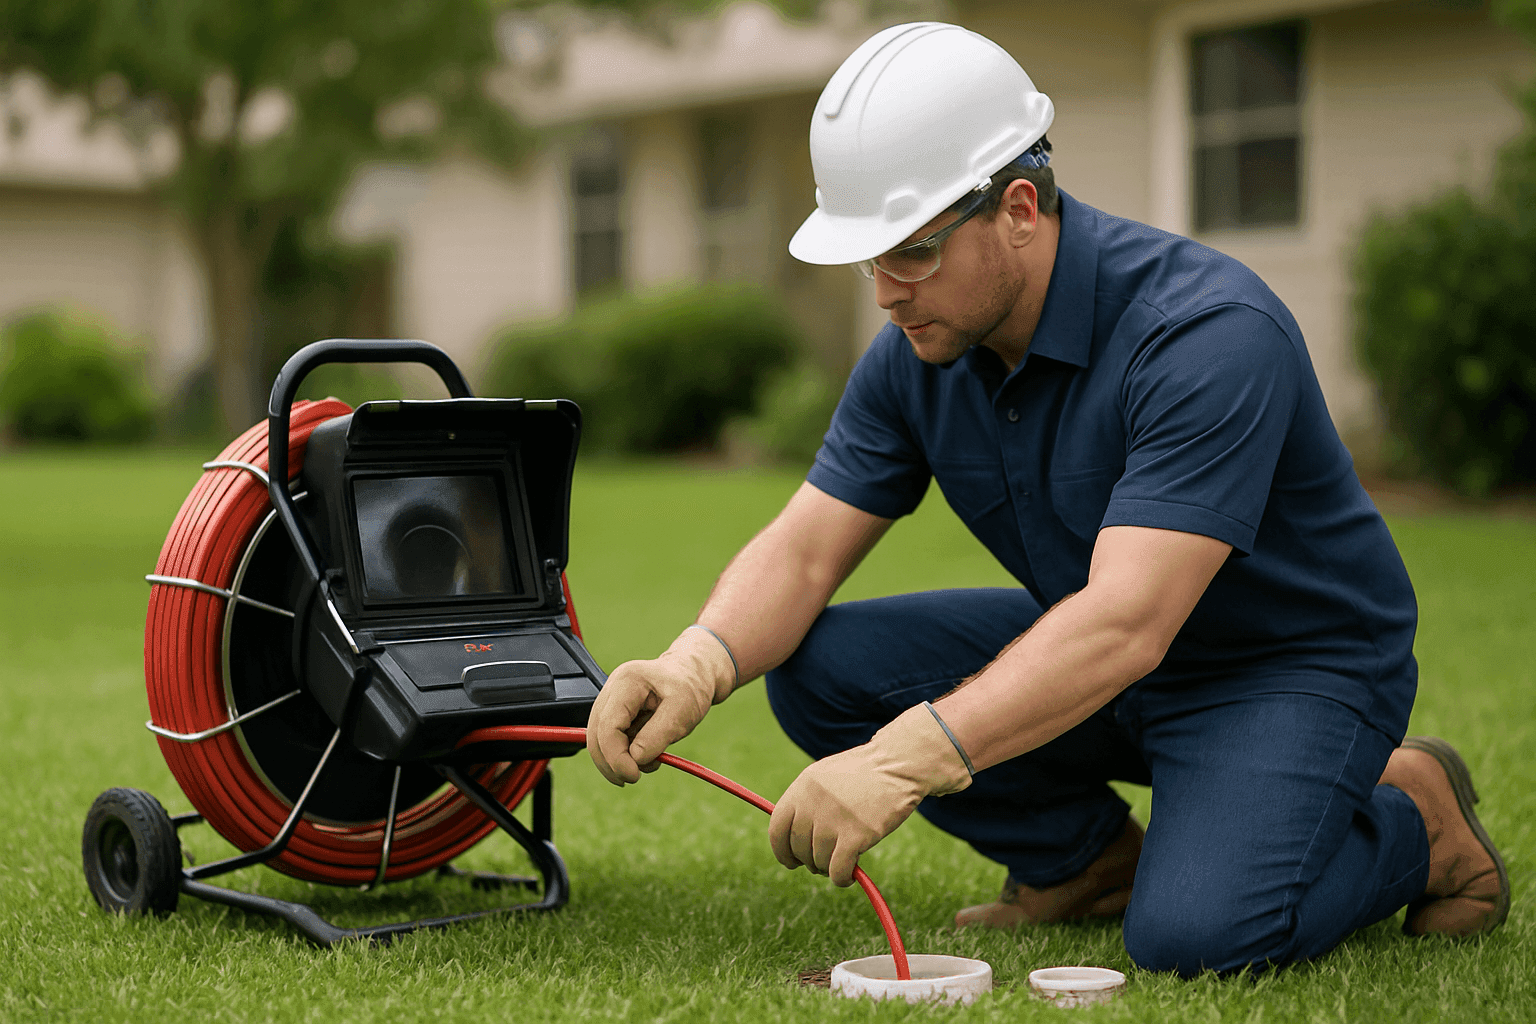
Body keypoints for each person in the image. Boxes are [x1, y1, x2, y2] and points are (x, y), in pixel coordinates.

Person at [585, 22, 1510, 975]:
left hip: (1284, 667)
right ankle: (1087, 864)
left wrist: (902, 762)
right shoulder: (921, 350)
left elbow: (1126, 623)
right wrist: (695, 664)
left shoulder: (1203, 335)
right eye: (870, 261)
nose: (885, 294)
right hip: (1111, 657)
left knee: (1200, 938)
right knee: (823, 667)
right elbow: (807, 549)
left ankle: (1420, 821)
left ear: (1019, 208)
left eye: (911, 252)